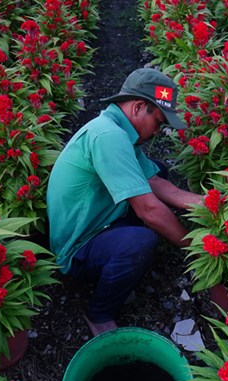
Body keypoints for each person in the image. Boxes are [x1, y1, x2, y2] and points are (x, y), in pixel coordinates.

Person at [46, 67, 203, 336]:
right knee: (140, 242)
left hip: (99, 217)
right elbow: (149, 210)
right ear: (139, 107)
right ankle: (99, 314)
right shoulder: (109, 137)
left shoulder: (116, 128)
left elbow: (155, 182)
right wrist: (196, 248)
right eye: (158, 121)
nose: (157, 132)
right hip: (77, 247)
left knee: (157, 171)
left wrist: (209, 203)